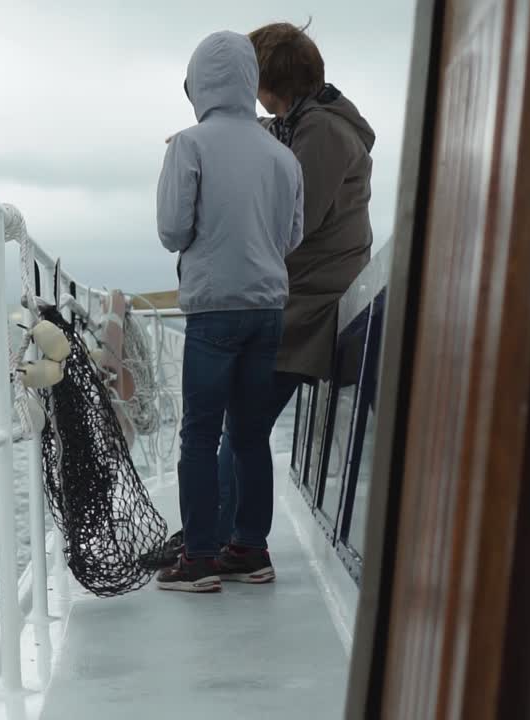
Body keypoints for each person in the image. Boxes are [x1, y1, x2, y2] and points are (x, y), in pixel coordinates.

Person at [147, 22, 376, 580]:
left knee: (221, 431)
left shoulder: (320, 135)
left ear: (270, 83)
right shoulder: (299, 128)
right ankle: (236, 539)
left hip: (305, 304)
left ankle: (209, 541)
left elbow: (285, 230)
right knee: (244, 431)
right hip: (281, 299)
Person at [153, 30, 303, 592]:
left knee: (198, 435)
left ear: (198, 84)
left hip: (214, 309)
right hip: (268, 308)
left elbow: (172, 231)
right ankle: (251, 549)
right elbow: (293, 235)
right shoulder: (282, 154)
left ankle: (197, 558)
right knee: (248, 435)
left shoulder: (189, 146)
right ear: (247, 80)